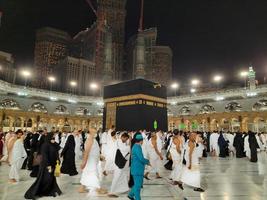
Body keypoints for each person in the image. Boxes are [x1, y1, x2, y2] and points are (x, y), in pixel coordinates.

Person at [24, 132, 62, 199]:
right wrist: (48, 166)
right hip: (46, 165)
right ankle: (38, 191)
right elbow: (45, 156)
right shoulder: (45, 145)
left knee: (51, 178)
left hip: (52, 164)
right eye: (53, 137)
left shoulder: (52, 144)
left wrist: (54, 143)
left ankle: (50, 190)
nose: (53, 138)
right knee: (45, 179)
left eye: (54, 137)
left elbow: (58, 148)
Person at [79, 128, 106, 195]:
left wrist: (100, 156)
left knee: (86, 173)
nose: (95, 133)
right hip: (91, 160)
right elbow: (86, 152)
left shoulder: (94, 140)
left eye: (95, 132)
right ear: (90, 132)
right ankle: (98, 188)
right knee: (94, 173)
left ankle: (82, 188)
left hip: (94, 159)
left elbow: (96, 150)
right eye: (94, 132)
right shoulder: (89, 140)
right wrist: (84, 163)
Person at [128, 133, 149, 200]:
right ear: (141, 141)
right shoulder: (137, 147)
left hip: (136, 169)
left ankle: (130, 195)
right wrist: (147, 161)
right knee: (138, 186)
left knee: (137, 184)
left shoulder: (135, 146)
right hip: (137, 170)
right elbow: (141, 158)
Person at [108, 132, 130, 197]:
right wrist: (129, 146)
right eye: (126, 139)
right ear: (123, 137)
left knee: (123, 175)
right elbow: (126, 149)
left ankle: (124, 189)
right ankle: (111, 191)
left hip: (119, 162)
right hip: (118, 163)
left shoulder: (120, 142)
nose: (126, 140)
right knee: (117, 176)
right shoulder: (119, 142)